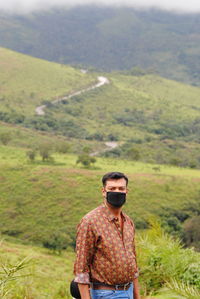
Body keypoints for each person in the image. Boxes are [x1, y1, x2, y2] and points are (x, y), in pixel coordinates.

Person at [73, 172, 140, 299]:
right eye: (112, 188)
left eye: (121, 188)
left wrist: (137, 296)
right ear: (103, 191)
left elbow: (133, 265)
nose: (117, 192)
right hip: (105, 293)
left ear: (127, 191)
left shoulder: (128, 222)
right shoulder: (91, 221)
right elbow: (81, 269)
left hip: (128, 290)